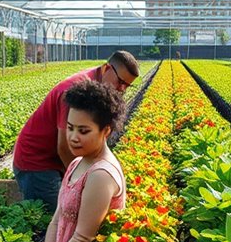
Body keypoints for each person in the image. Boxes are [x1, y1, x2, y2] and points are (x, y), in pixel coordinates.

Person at [19, 80, 127, 242]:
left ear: (105, 131)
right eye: (70, 128)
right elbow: (56, 221)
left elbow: (82, 238)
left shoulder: (101, 175)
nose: (73, 137)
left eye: (83, 130)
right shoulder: (77, 162)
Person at [12, 51, 138, 212]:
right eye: (120, 82)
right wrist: (79, 182)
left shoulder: (100, 86)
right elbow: (64, 147)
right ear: (107, 68)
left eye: (127, 85)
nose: (122, 89)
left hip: (56, 160)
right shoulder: (75, 92)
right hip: (38, 162)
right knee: (54, 217)